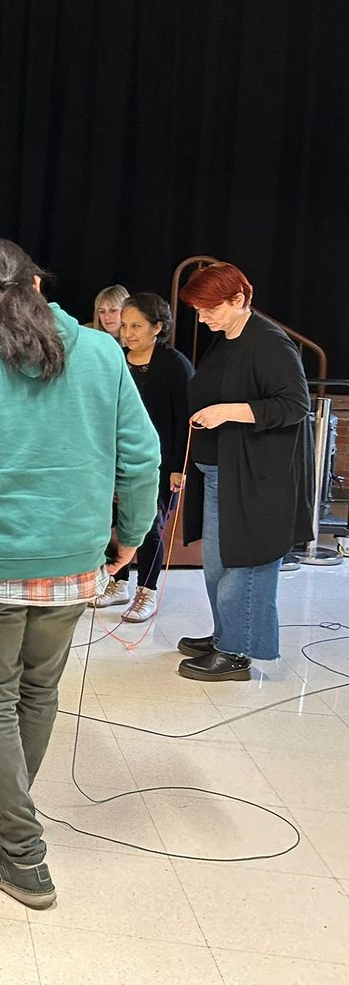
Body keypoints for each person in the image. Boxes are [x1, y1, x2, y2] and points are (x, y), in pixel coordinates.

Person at [0, 238, 158, 910]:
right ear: (39, 285)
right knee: (38, 693)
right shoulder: (102, 353)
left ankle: (22, 854)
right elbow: (141, 457)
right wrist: (129, 537)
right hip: (74, 563)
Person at [175, 263, 312, 682]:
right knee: (218, 565)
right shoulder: (227, 338)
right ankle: (226, 635)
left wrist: (228, 412)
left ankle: (237, 652)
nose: (203, 319)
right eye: (198, 311)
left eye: (210, 309)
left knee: (246, 563)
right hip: (221, 473)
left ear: (239, 299)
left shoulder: (269, 342)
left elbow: (295, 405)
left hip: (255, 478)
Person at [92, 293, 195, 622]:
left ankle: (146, 591)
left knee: (149, 526)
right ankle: (118, 582)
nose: (127, 333)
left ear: (157, 327)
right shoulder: (116, 360)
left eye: (136, 326)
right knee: (114, 524)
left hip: (159, 464)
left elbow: (185, 419)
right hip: (116, 460)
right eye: (124, 326)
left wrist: (178, 467)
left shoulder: (174, 364)